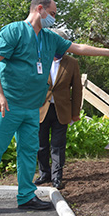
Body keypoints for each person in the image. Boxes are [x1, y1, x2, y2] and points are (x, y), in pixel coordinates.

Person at [0, 0, 109, 216]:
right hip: (8, 105)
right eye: (52, 14)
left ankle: (26, 196)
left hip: (33, 107)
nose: (54, 18)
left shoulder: (50, 38)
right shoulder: (14, 31)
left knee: (29, 152)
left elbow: (78, 47)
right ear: (39, 9)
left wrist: (108, 52)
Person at [34, 29, 82, 189]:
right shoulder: (40, 59)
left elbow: (77, 90)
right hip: (41, 109)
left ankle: (57, 177)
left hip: (62, 110)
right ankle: (44, 174)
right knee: (41, 145)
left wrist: (75, 113)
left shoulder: (72, 63)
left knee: (58, 145)